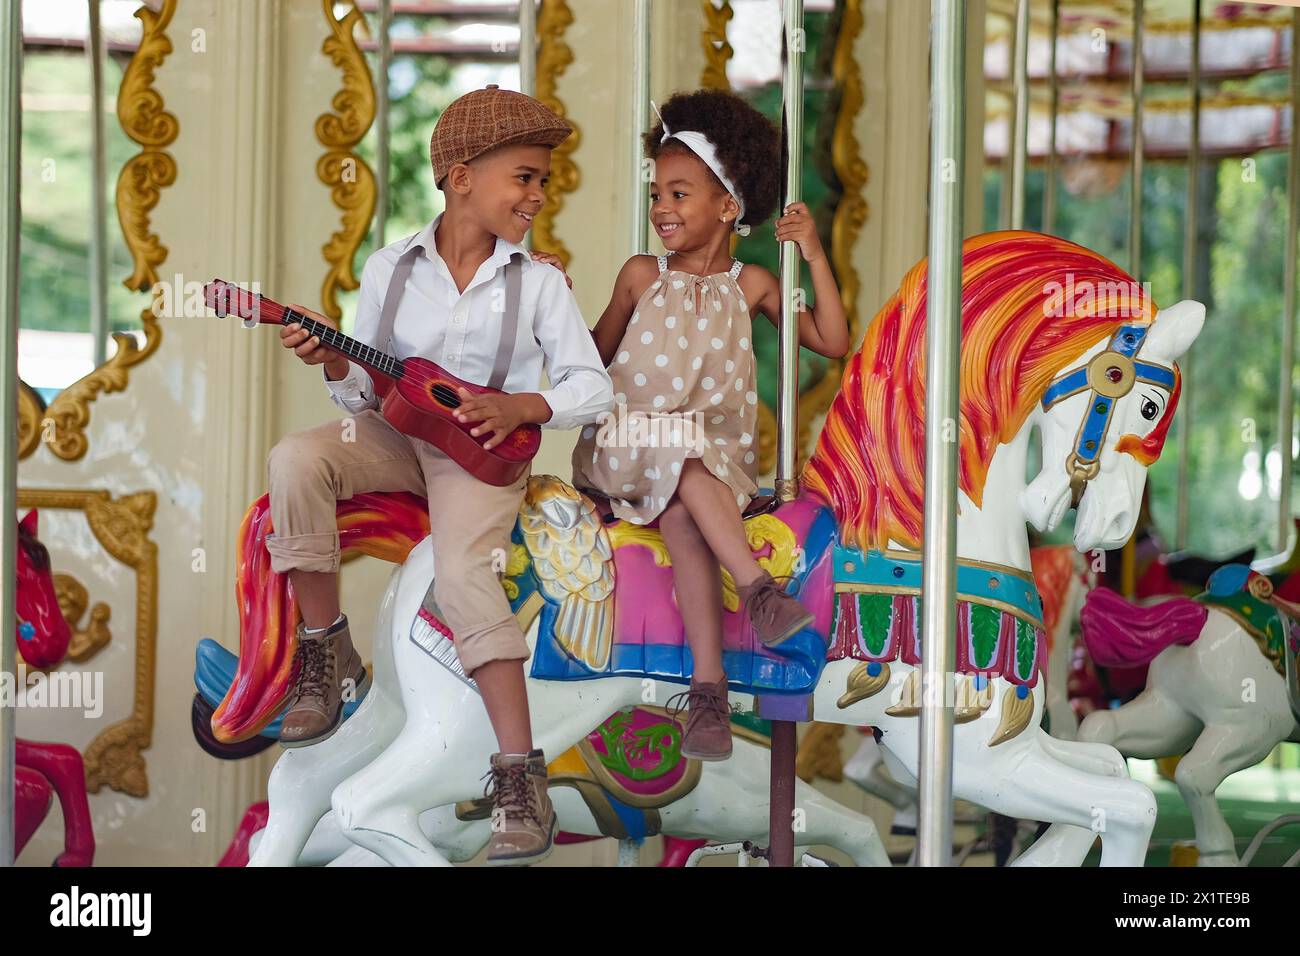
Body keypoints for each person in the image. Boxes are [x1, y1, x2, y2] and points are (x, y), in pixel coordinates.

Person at [268, 85, 613, 865]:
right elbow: (364, 389)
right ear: (461, 178)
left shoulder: (539, 282)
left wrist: (522, 405)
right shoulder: (391, 268)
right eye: (524, 177)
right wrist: (334, 361)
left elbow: (594, 386)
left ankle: (519, 773)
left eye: (542, 180)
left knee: (463, 571)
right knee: (296, 457)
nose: (537, 194)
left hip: (480, 459)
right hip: (397, 437)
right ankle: (326, 650)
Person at [571, 88, 850, 761]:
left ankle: (708, 696)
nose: (661, 209)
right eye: (658, 194)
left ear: (728, 205)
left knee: (684, 513)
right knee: (679, 452)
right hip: (629, 444)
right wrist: (549, 299)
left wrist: (811, 251)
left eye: (679, 194)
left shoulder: (751, 284)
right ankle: (758, 592)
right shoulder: (642, 275)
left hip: (710, 460)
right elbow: (588, 360)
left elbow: (834, 341)